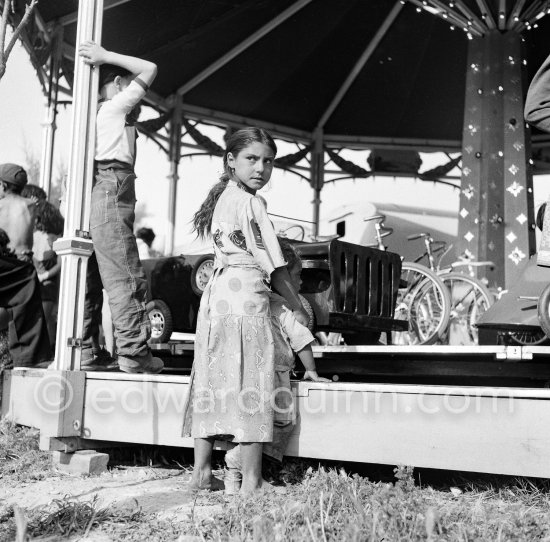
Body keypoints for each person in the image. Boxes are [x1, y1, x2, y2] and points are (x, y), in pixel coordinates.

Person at [182, 127, 309, 494]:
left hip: (216, 300)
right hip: (246, 298)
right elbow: (274, 262)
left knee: (212, 381)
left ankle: (202, 474)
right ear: (231, 161)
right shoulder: (252, 203)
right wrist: (296, 306)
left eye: (268, 161)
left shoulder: (224, 196)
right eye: (252, 159)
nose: (261, 168)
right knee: (252, 382)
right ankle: (252, 481)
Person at [78, 41, 162, 373]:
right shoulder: (113, 108)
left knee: (94, 275)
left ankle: (86, 348)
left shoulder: (90, 117)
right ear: (116, 85)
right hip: (114, 184)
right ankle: (133, 351)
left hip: (95, 187)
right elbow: (150, 68)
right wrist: (106, 56)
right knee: (124, 270)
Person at [224, 236, 330, 494]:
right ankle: (237, 460)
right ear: (279, 277)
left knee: (253, 425)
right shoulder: (283, 308)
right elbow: (302, 340)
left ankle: (233, 480)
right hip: (277, 376)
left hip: (250, 374)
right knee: (283, 422)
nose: (300, 282)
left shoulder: (254, 305)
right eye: (297, 275)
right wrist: (312, 372)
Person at [0, 164, 51, 366]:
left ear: (3, 185)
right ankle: (29, 356)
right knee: (28, 305)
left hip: (5, 260)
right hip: (20, 264)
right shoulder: (31, 205)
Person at [33, 200, 64, 349]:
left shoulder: (52, 239)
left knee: (46, 317)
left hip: (47, 283)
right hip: (41, 282)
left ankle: (49, 347)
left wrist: (44, 276)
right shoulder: (38, 236)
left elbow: (60, 263)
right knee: (44, 317)